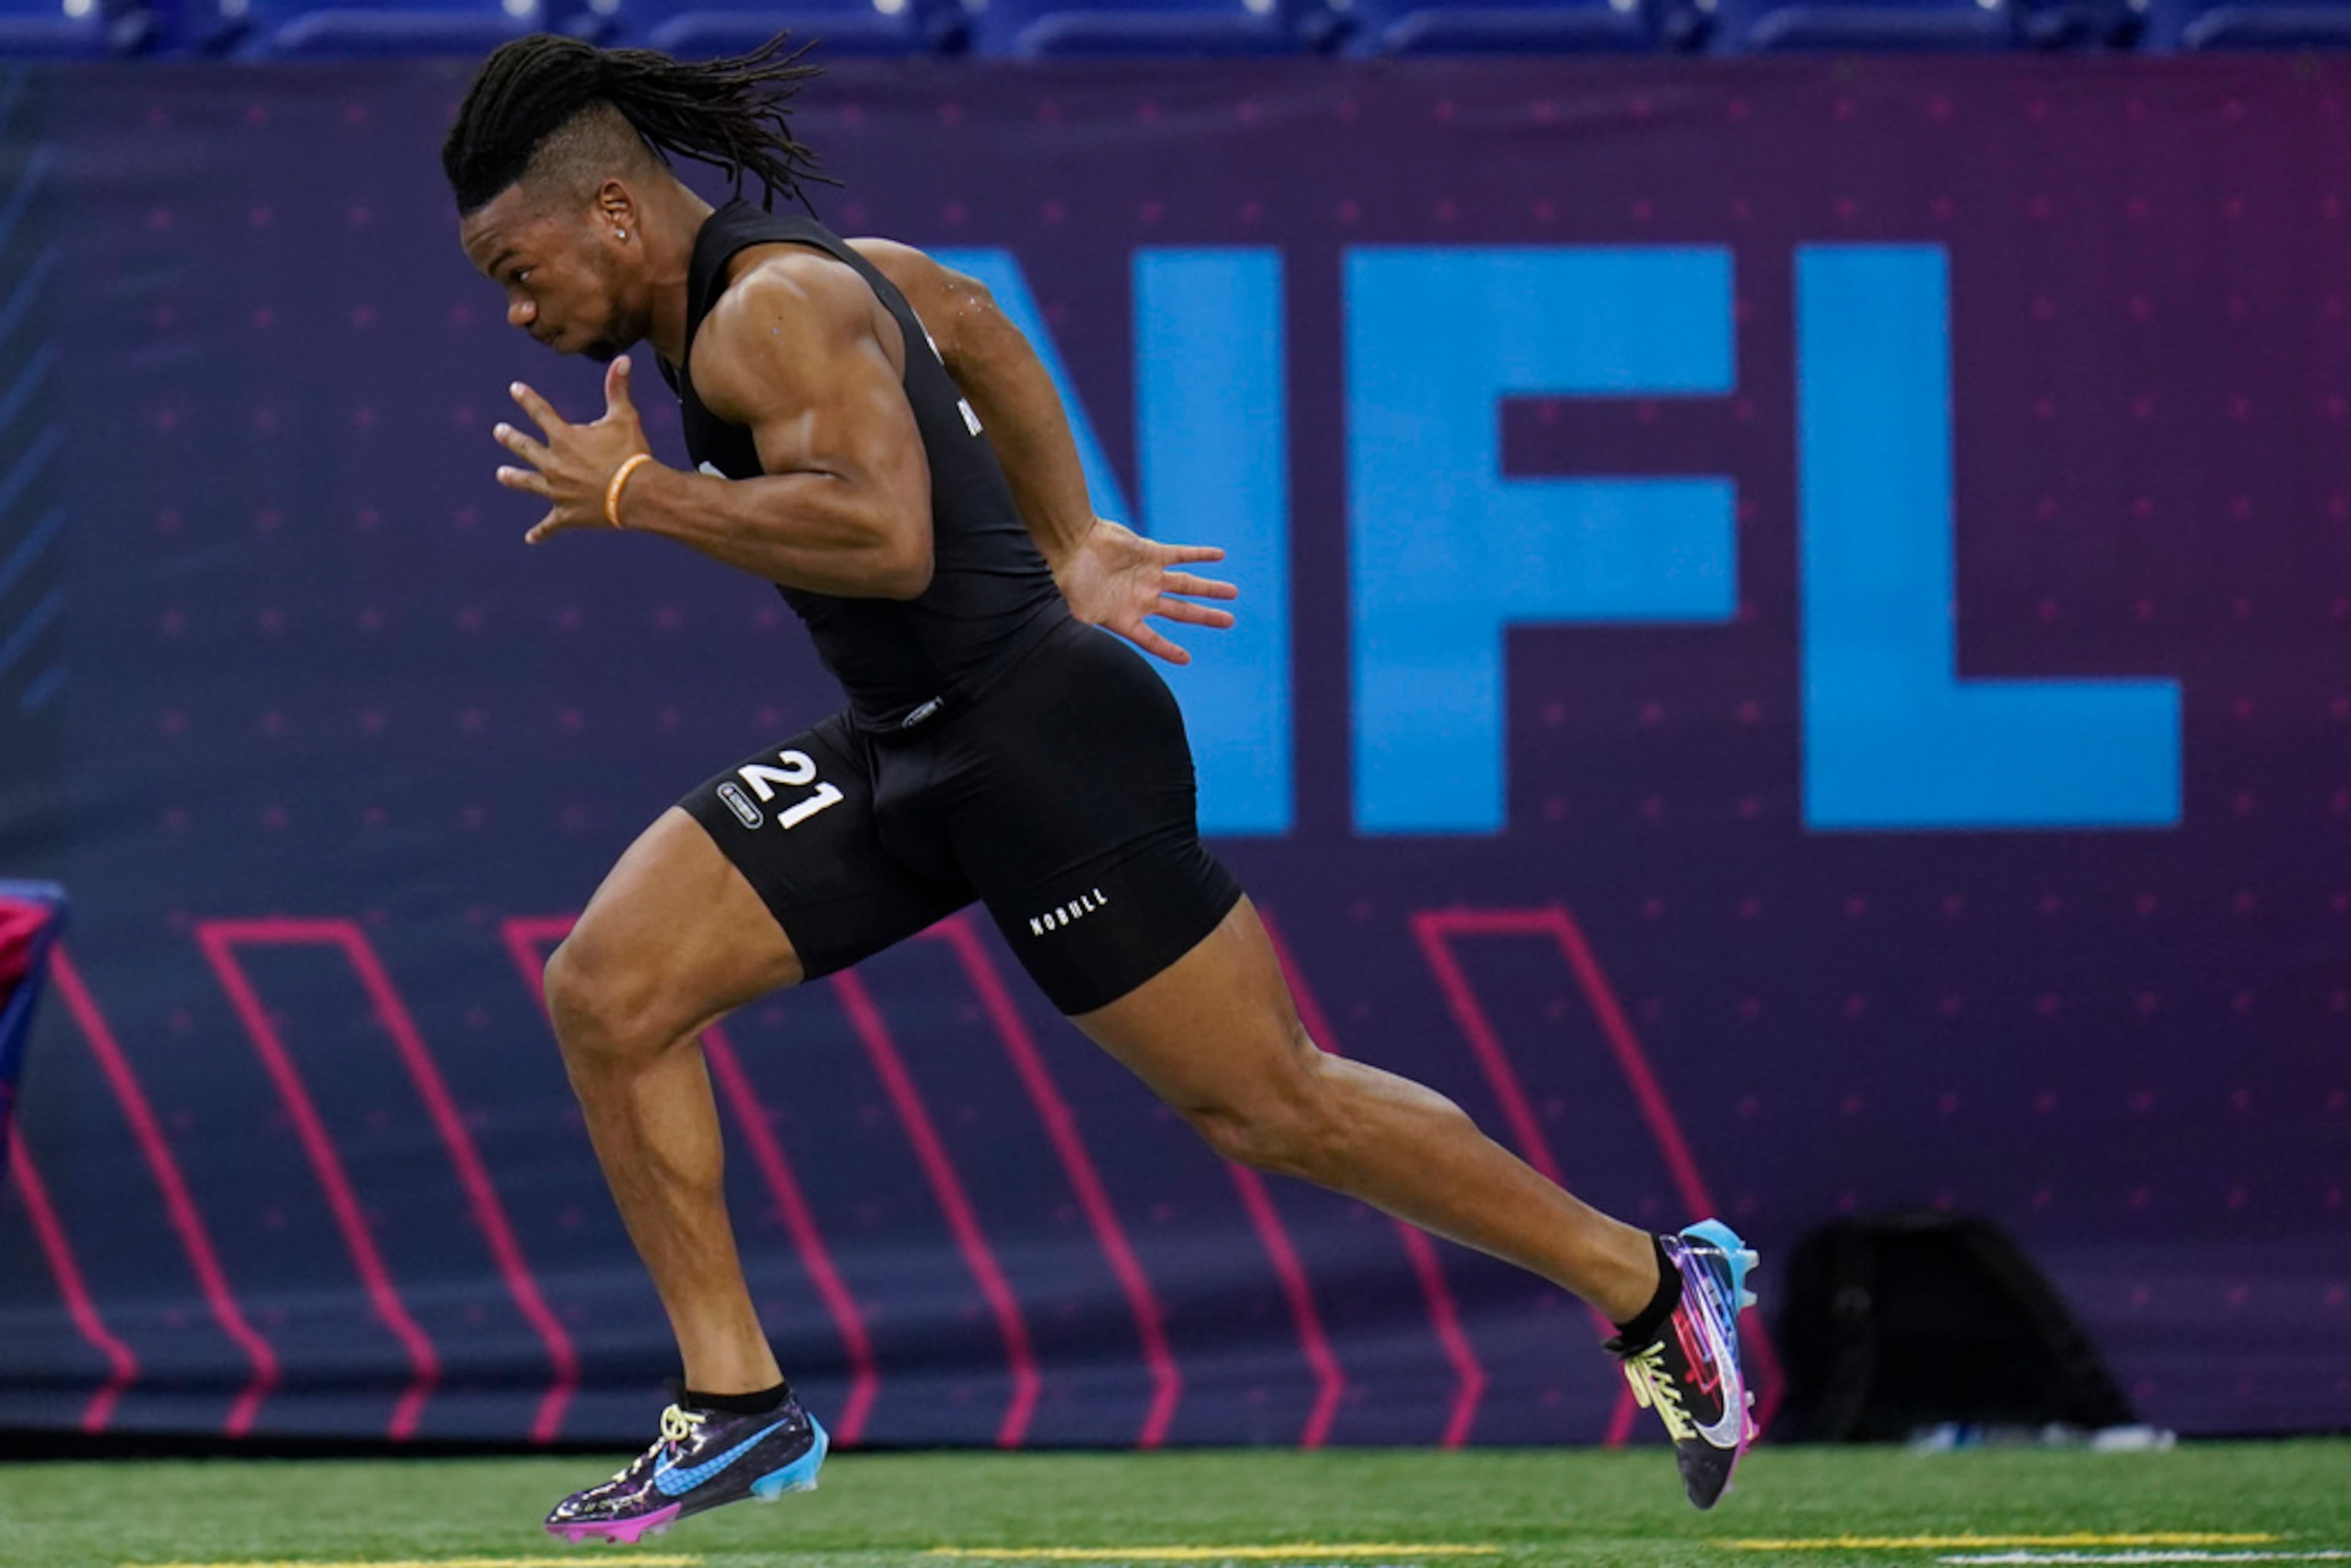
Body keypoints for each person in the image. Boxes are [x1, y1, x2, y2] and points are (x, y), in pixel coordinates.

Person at [440, 34, 1760, 1544]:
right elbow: (974, 322)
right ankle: (737, 1407)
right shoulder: (828, 281)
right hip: (904, 742)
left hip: (1037, 744)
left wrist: (644, 494)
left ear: (613, 212)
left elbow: (885, 542)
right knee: (609, 993)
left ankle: (1648, 1282)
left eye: (518, 270)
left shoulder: (771, 310)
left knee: (1274, 1106)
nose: (518, 310)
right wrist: (1076, 537)